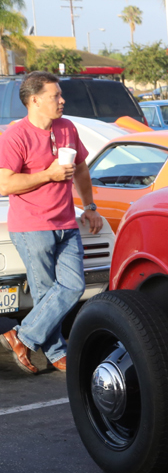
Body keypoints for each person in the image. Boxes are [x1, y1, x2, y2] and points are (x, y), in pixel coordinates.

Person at [0, 71, 105, 374]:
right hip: (32, 226)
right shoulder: (15, 136)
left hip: (66, 222)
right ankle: (58, 351)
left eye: (60, 95)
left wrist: (90, 206)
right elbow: (5, 184)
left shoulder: (67, 127)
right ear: (34, 101)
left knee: (73, 286)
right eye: (55, 96)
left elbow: (82, 168)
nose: (62, 100)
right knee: (46, 294)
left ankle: (22, 335)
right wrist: (48, 175)